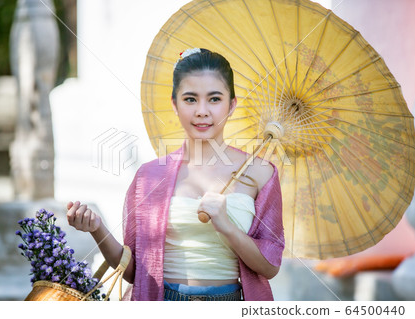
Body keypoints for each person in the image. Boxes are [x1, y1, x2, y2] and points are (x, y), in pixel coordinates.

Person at [66, 48, 285, 301]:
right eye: (190, 99)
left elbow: (270, 267)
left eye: (214, 99)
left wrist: (227, 227)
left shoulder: (260, 173)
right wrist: (97, 229)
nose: (202, 111)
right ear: (175, 104)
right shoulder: (149, 176)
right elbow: (135, 273)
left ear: (232, 104)